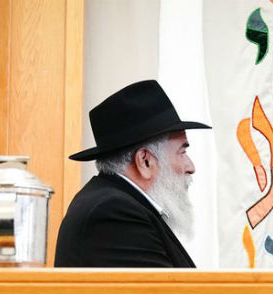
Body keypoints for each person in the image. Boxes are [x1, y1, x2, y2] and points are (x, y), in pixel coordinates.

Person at [54, 80, 210, 267]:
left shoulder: (118, 203)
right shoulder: (114, 214)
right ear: (145, 161)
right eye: (182, 152)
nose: (190, 167)